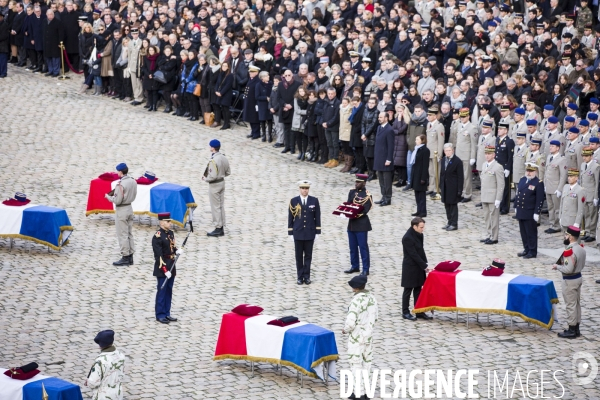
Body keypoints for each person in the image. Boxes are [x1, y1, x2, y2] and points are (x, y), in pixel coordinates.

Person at [342, 275, 378, 400]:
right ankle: (366, 391)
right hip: (368, 336)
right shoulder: (372, 299)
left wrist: (345, 330)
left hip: (356, 337)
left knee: (355, 364)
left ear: (355, 288)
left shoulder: (356, 301)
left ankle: (359, 392)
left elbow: (351, 322)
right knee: (367, 363)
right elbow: (375, 317)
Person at [552, 225, 586, 339]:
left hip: (570, 280)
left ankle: (572, 329)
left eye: (566, 235)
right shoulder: (581, 248)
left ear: (571, 237)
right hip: (578, 277)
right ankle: (576, 328)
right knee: (576, 304)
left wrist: (557, 267)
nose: (565, 236)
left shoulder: (570, 251)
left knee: (571, 305)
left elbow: (568, 269)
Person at [288, 180, 321, 285]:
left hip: (309, 232)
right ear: (299, 189)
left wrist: (317, 231)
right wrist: (290, 232)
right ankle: (299, 276)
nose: (304, 190)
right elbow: (290, 217)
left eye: (306, 188)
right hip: (298, 232)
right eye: (302, 188)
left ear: (308, 189)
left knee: (308, 256)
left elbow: (317, 216)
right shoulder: (294, 201)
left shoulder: (314, 201)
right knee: (298, 256)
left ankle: (307, 276)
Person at [104, 163, 137, 266]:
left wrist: (108, 197)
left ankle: (125, 257)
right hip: (129, 208)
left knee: (122, 234)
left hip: (122, 210)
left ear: (121, 172)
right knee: (129, 233)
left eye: (118, 171)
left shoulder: (121, 184)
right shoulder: (133, 181)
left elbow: (117, 200)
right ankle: (130, 256)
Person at [152, 212, 181, 324]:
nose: (170, 223)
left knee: (169, 290)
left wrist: (176, 250)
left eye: (170, 221)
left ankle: (167, 313)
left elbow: (171, 247)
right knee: (162, 290)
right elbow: (158, 256)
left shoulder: (170, 233)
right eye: (167, 221)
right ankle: (160, 314)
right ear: (161, 222)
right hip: (162, 267)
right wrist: (165, 270)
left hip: (171, 264)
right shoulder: (157, 236)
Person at [401, 217, 431, 321]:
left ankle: (419, 311)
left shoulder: (419, 234)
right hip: (410, 267)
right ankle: (405, 312)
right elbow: (413, 254)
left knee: (418, 289)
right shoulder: (407, 238)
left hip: (418, 266)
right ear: (415, 226)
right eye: (421, 227)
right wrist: (424, 265)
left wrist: (424, 263)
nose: (423, 229)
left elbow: (420, 250)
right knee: (408, 290)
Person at [344, 174, 373, 276]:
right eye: (356, 182)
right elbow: (348, 204)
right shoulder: (352, 192)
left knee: (363, 247)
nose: (356, 184)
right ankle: (355, 266)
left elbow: (365, 210)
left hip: (361, 224)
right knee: (352, 247)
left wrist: (353, 213)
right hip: (351, 224)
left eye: (359, 182)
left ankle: (365, 269)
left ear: (364, 183)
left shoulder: (367, 195)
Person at [515, 163, 545, 258]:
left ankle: (532, 251)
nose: (529, 173)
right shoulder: (522, 180)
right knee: (523, 232)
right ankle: (526, 248)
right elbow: (518, 194)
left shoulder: (538, 183)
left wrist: (537, 212)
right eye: (527, 171)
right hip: (521, 210)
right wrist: (516, 206)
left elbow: (539, 199)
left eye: (531, 171)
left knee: (531, 232)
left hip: (530, 211)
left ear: (535, 172)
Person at [85, 330, 126, 399]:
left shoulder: (100, 361)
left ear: (100, 345)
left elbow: (94, 383)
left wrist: (88, 382)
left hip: (103, 395)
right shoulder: (121, 355)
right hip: (118, 393)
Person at [203, 139, 231, 237]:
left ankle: (218, 227)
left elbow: (213, 176)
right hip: (222, 182)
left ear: (212, 148)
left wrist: (206, 179)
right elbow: (228, 172)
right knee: (220, 206)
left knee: (215, 207)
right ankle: (221, 225)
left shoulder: (214, 160)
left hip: (214, 184)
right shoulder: (223, 157)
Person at [480, 146, 505, 245]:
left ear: (493, 155)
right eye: (486, 154)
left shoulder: (498, 167)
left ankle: (494, 237)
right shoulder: (484, 165)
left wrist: (498, 198)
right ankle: (488, 234)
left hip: (493, 196)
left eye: (489, 154)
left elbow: (501, 184)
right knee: (486, 216)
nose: (487, 156)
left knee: (494, 217)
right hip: (485, 195)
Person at [454, 107, 478, 202]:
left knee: (466, 176)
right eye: (461, 117)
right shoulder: (459, 125)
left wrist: (472, 157)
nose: (462, 118)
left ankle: (467, 194)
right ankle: (461, 192)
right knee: (460, 175)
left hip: (467, 155)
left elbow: (473, 143)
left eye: (464, 117)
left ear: (468, 116)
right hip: (459, 154)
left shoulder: (472, 128)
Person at [544, 140, 568, 234]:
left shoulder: (562, 159)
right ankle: (552, 224)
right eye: (550, 146)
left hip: (556, 187)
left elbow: (563, 175)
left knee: (557, 208)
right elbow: (546, 172)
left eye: (553, 146)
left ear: (558, 148)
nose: (550, 148)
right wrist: (545, 184)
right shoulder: (549, 157)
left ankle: (557, 225)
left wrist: (560, 188)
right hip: (549, 186)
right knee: (550, 207)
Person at [440, 143, 464, 231]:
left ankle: (454, 223)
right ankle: (449, 221)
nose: (448, 152)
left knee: (453, 205)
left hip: (453, 187)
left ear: (453, 151)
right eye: (446, 151)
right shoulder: (443, 160)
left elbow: (460, 177)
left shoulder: (457, 161)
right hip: (445, 186)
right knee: (447, 205)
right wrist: (440, 185)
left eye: (449, 150)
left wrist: (459, 190)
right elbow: (442, 173)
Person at [373, 112, 395, 206]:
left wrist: (389, 159)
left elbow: (391, 146)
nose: (379, 118)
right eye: (379, 117)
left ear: (386, 118)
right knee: (381, 179)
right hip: (379, 157)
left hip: (385, 158)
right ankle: (383, 196)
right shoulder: (379, 128)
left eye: (381, 117)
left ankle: (388, 198)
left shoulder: (389, 130)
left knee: (387, 180)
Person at [579, 148, 600, 243]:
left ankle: (592, 233)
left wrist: (596, 196)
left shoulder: (595, 166)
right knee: (586, 214)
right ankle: (587, 231)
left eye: (586, 156)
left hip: (591, 193)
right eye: (583, 156)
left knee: (593, 215)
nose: (584, 158)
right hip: (584, 194)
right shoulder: (583, 165)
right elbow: (581, 180)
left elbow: (596, 183)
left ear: (591, 156)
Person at [495, 122, 515, 214]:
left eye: (501, 129)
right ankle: (499, 204)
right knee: (498, 186)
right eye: (498, 129)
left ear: (506, 130)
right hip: (498, 167)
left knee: (506, 188)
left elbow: (510, 156)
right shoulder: (498, 139)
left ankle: (505, 207)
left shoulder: (509, 141)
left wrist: (508, 168)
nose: (499, 130)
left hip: (505, 167)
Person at [410, 134, 430, 217]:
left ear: (422, 140)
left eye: (417, 140)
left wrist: (423, 178)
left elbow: (425, 165)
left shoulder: (425, 150)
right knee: (417, 194)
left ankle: (423, 211)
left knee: (421, 195)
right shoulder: (417, 149)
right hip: (416, 174)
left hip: (421, 175)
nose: (415, 141)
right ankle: (418, 210)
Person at [559, 168, 584, 233]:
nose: (569, 178)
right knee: (566, 240)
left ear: (576, 178)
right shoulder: (565, 187)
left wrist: (577, 222)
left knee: (574, 241)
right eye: (568, 176)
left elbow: (580, 208)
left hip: (572, 221)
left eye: (571, 176)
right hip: (564, 219)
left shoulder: (580, 190)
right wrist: (560, 217)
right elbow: (561, 203)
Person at [214, 60, 234, 129]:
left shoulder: (230, 75)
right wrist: (216, 91)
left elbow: (228, 85)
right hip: (219, 93)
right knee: (222, 108)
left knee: (226, 108)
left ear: (228, 67)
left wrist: (221, 93)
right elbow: (217, 83)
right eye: (223, 66)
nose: (224, 67)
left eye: (226, 66)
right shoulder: (220, 74)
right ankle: (224, 122)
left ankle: (227, 123)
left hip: (226, 94)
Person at [243, 65, 262, 139]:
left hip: (254, 102)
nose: (250, 73)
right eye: (250, 72)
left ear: (256, 72)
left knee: (255, 118)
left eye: (252, 72)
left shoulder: (257, 81)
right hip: (248, 101)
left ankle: (256, 133)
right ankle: (253, 131)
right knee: (250, 117)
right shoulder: (250, 79)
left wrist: (257, 104)